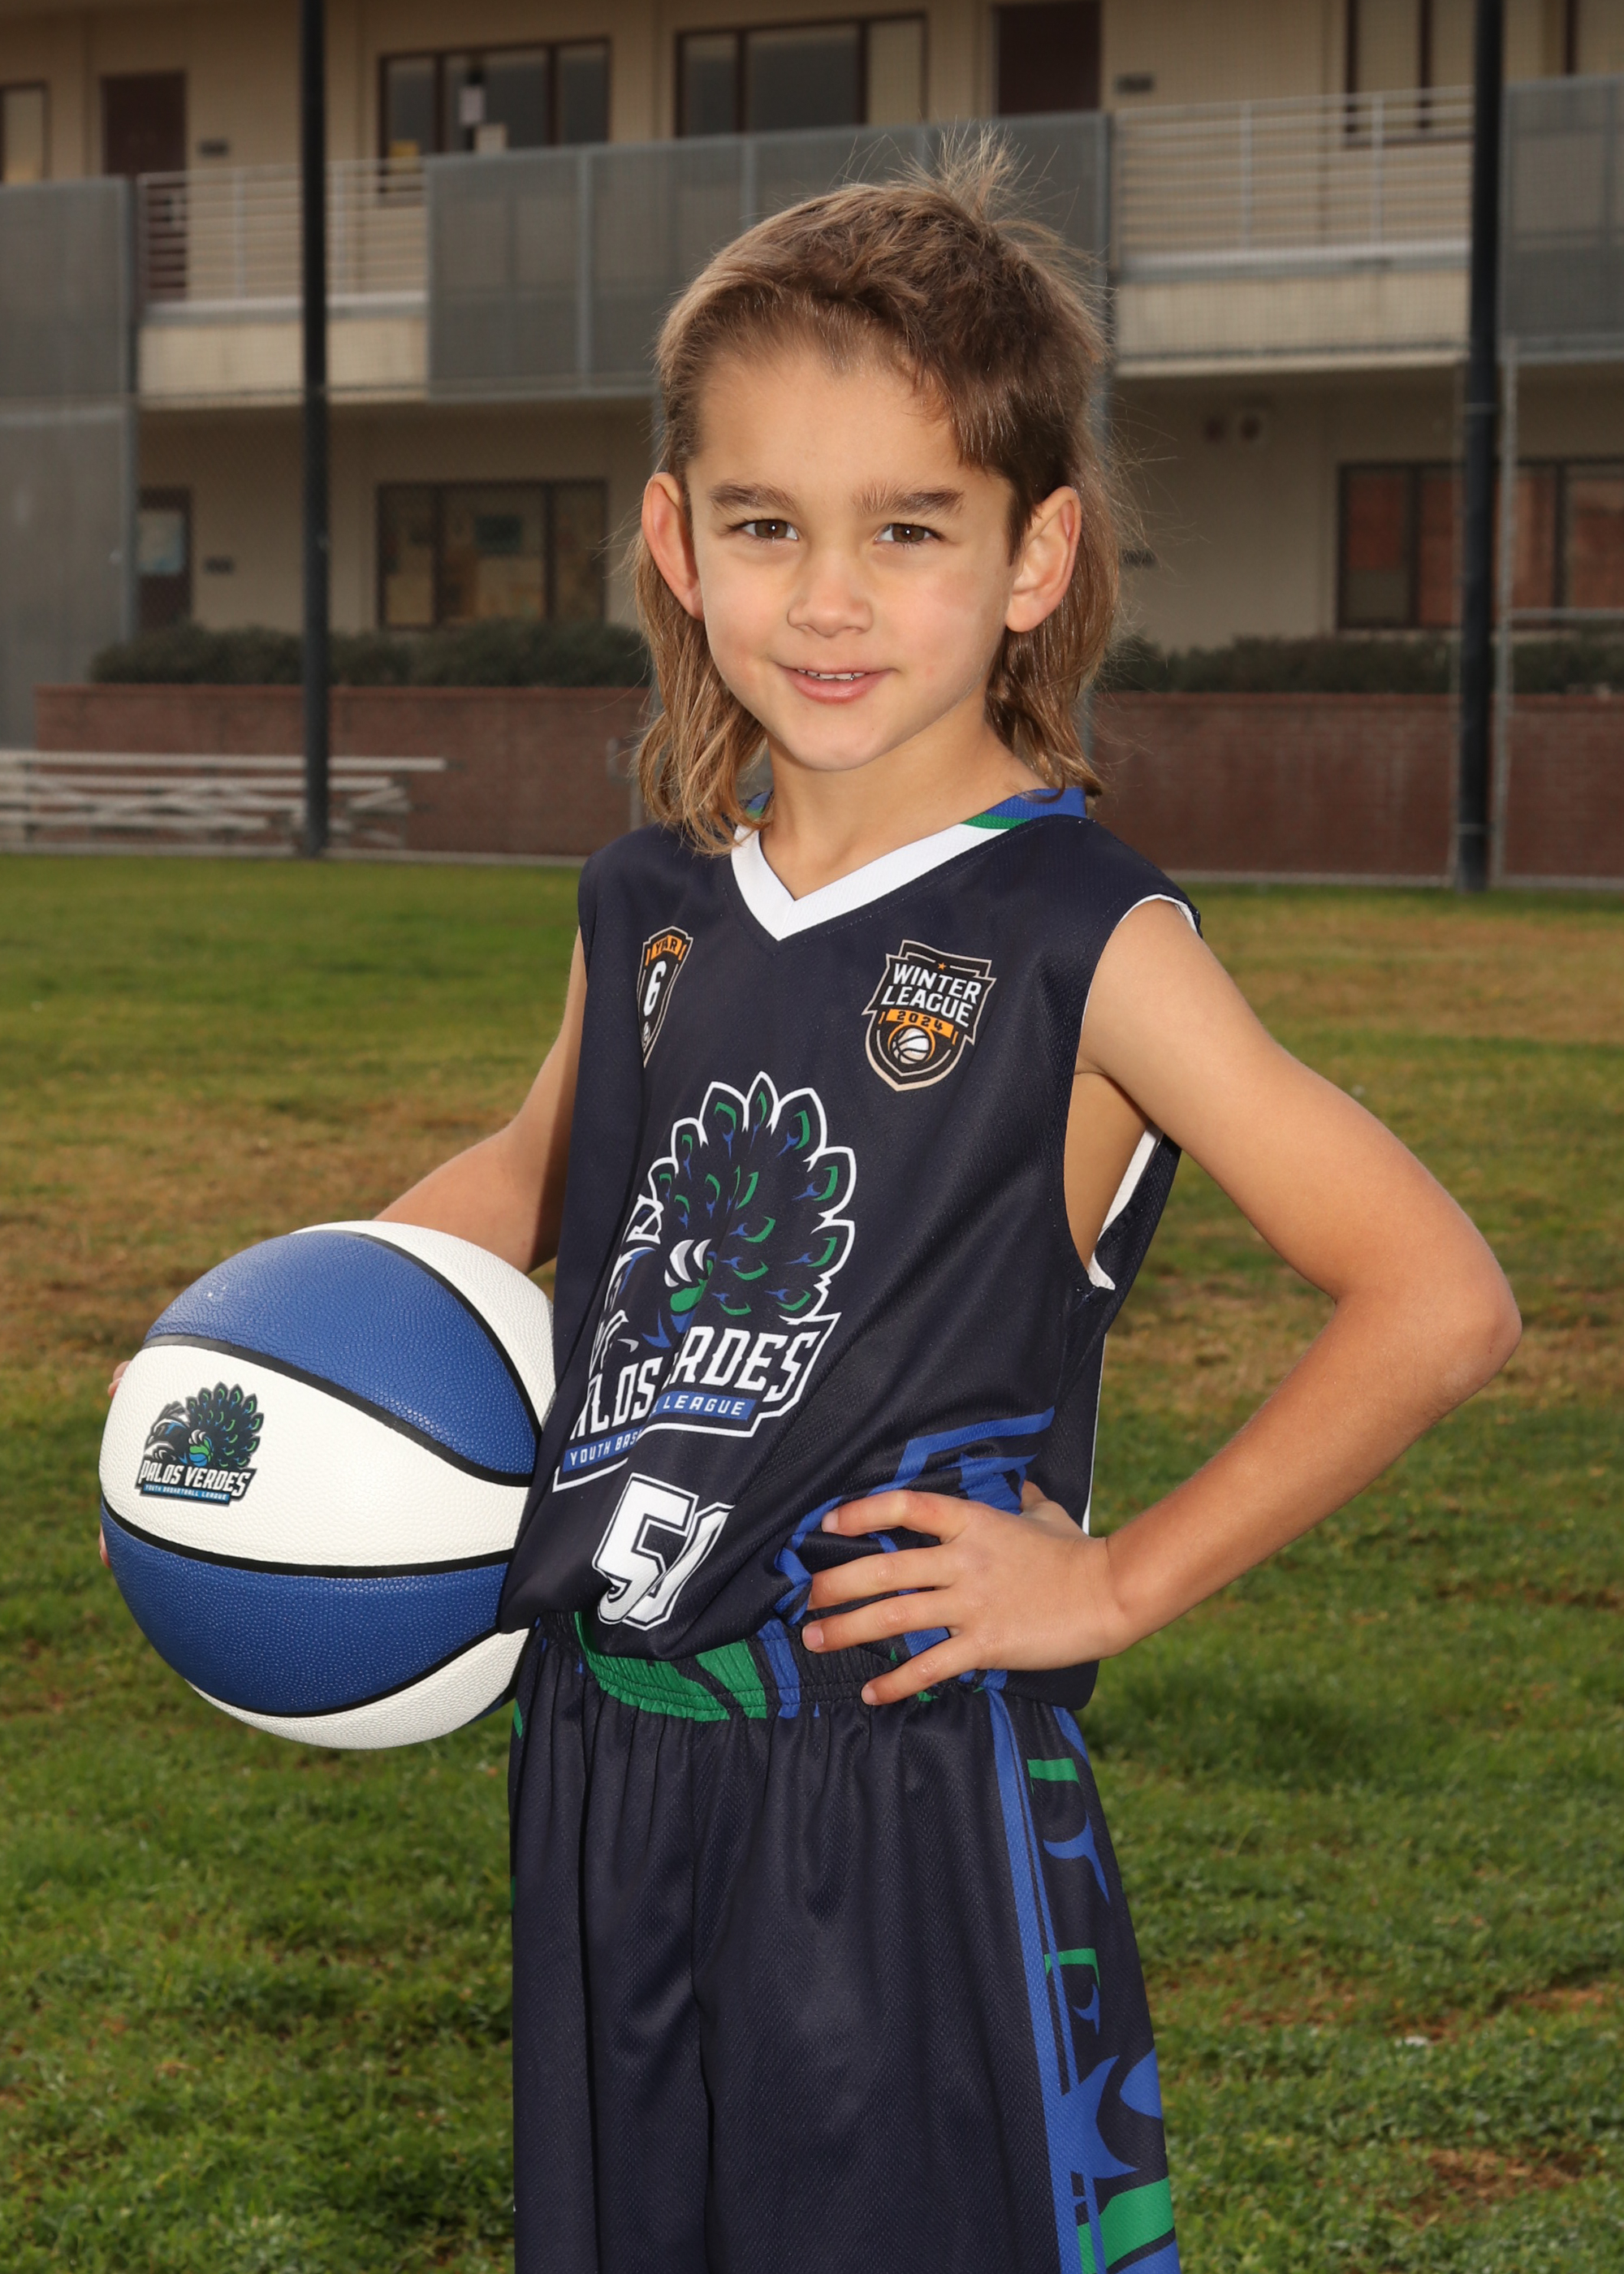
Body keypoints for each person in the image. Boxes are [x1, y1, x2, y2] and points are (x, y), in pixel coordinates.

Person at [114, 155, 1520, 2273]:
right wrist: (259, 1398)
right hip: (609, 1759)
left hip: (897, 1789)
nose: (831, 598)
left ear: (1038, 557)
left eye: (910, 529)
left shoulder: (1083, 939)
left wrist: (1115, 1581)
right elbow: (520, 1186)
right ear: (678, 543)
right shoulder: (654, 907)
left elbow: (1434, 1296)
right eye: (768, 526)